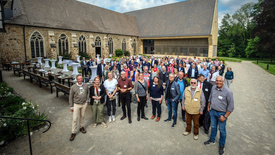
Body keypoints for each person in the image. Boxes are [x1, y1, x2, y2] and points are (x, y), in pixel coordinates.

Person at [204, 76, 234, 155]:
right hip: (213, 112)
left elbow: (231, 107)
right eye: (217, 81)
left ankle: (221, 145)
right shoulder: (213, 87)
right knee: (213, 127)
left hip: (222, 114)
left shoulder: (228, 92)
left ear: (223, 81)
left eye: (220, 81)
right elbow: (210, 98)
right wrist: (208, 107)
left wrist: (225, 116)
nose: (218, 82)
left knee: (222, 130)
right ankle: (212, 139)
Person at [69, 75, 89, 141]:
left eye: (81, 78)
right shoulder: (73, 87)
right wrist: (71, 106)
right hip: (76, 104)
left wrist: (87, 100)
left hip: (84, 104)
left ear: (82, 79)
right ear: (76, 80)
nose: (80, 80)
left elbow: (88, 93)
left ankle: (81, 127)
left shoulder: (85, 85)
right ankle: (73, 132)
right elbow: (70, 97)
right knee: (75, 118)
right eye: (78, 79)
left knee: (82, 116)